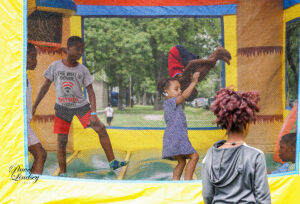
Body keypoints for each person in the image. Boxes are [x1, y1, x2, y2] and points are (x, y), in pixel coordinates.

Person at [32, 36, 128, 176]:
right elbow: (45, 87)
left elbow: (91, 91)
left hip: (81, 107)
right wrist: (35, 105)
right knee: (62, 141)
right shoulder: (55, 66)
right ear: (68, 48)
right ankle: (63, 172)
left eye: (82, 50)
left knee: (101, 128)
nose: (80, 53)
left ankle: (113, 162)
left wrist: (93, 113)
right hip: (63, 107)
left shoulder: (82, 70)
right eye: (77, 49)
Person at [202, 87, 271, 204]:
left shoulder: (209, 155)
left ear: (223, 122)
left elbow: (208, 195)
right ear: (247, 122)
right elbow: (263, 199)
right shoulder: (256, 156)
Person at [156, 72, 200, 180]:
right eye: (176, 89)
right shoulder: (170, 102)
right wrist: (194, 82)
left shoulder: (169, 103)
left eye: (180, 88)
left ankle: (175, 183)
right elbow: (184, 96)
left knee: (181, 162)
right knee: (194, 156)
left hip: (172, 136)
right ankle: (188, 182)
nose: (180, 91)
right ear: (166, 91)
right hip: (176, 136)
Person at [27, 43, 47, 174]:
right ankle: (30, 189)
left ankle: (27, 185)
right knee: (40, 154)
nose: (36, 60)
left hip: (23, 123)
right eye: (32, 56)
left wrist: (31, 109)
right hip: (18, 125)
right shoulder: (16, 77)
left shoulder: (25, 76)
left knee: (40, 155)